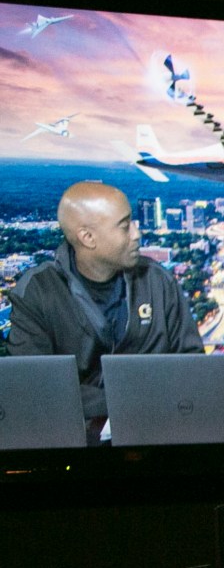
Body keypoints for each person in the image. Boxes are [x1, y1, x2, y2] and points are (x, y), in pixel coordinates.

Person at [6, 181, 203, 424]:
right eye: (125, 226)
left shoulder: (159, 282)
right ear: (88, 237)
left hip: (156, 434)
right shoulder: (38, 292)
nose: (137, 234)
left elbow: (194, 367)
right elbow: (34, 388)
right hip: (75, 443)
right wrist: (128, 401)